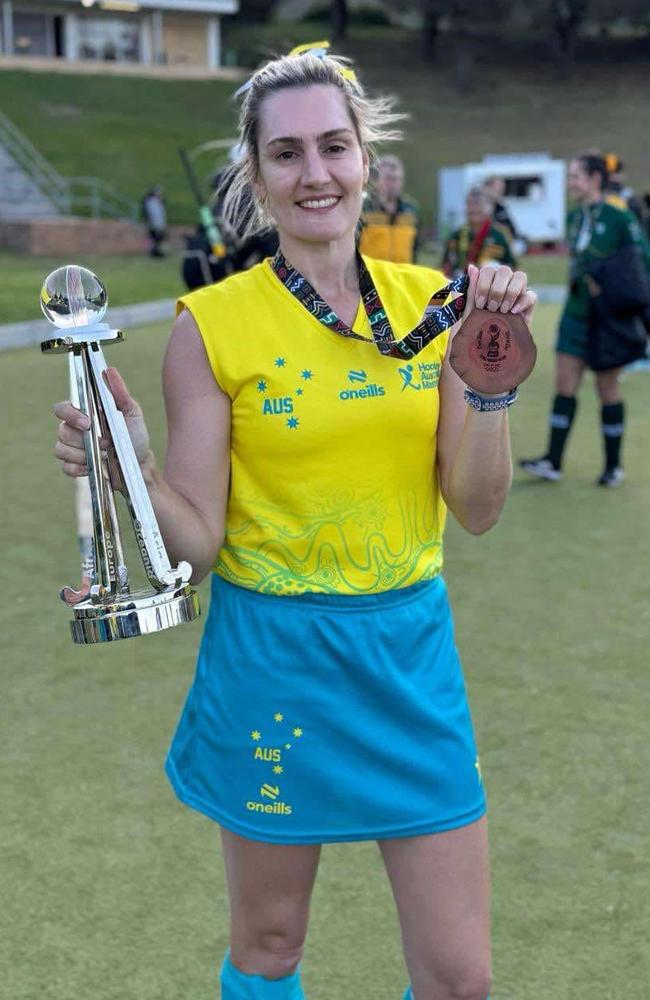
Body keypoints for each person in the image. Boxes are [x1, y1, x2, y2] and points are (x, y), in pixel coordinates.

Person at [53, 46, 536, 1000]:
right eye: (286, 154)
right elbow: (195, 536)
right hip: (271, 657)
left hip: (407, 657)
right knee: (269, 948)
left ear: (365, 158)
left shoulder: (436, 304)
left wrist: (488, 381)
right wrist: (134, 467)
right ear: (257, 175)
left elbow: (477, 511)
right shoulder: (212, 325)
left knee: (460, 979)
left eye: (333, 147)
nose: (314, 174)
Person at [520, 153, 649, 487]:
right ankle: (553, 461)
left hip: (606, 320)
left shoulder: (619, 218)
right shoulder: (575, 216)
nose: (570, 183)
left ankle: (613, 466)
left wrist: (611, 284)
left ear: (594, 178)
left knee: (607, 387)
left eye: (576, 176)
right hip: (574, 315)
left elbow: (641, 262)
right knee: (564, 386)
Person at [441, 185, 517, 278]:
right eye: (470, 203)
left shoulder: (501, 234)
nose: (474, 208)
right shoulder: (456, 235)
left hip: (491, 286)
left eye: (478, 203)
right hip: (460, 286)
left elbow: (514, 266)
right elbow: (445, 267)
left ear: (490, 207)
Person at [358, 153, 420, 262]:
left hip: (401, 275)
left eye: (397, 179)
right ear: (376, 179)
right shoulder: (363, 207)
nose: (393, 183)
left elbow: (415, 248)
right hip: (371, 275)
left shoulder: (411, 210)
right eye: (388, 178)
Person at [141, 185, 168, 258]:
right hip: (152, 223)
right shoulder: (149, 202)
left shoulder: (159, 201)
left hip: (159, 223)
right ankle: (152, 252)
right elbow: (148, 213)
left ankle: (156, 251)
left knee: (158, 238)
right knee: (152, 237)